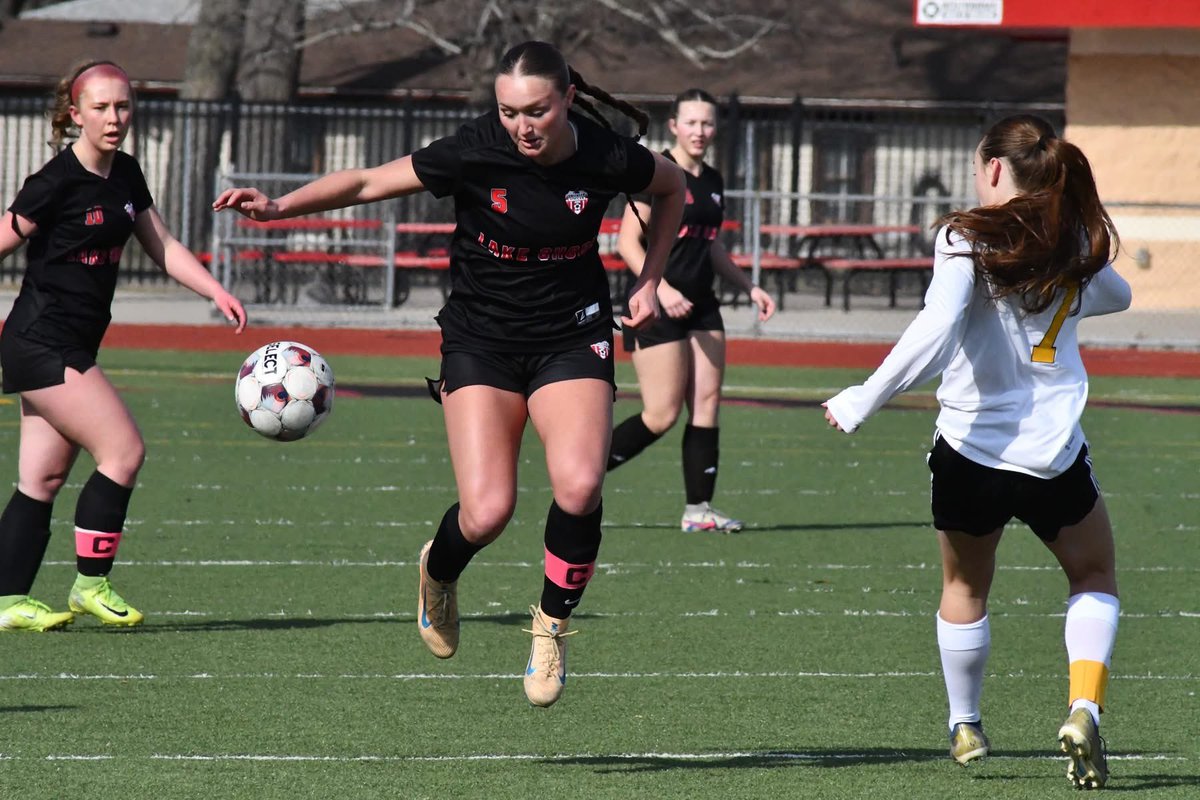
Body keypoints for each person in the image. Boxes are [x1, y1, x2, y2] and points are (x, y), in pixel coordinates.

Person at [214, 41, 686, 708]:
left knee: (579, 487)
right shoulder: (474, 148)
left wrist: (651, 276)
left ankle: (551, 627)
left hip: (571, 335)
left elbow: (672, 189)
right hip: (481, 342)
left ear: (568, 99)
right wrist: (280, 207)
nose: (522, 126)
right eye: (508, 111)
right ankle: (437, 572)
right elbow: (370, 181)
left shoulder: (605, 154)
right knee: (488, 511)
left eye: (537, 111)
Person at [822, 114, 1129, 790]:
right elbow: (1118, 292)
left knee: (964, 588)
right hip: (1052, 455)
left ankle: (965, 724)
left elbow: (937, 324)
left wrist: (866, 396)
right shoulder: (1072, 236)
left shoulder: (963, 236)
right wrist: (1061, 282)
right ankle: (1082, 708)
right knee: (1093, 576)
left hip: (969, 452)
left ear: (994, 168)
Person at [0, 60, 247, 632]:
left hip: (68, 342)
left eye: (124, 106)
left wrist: (214, 289)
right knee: (124, 451)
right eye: (102, 108)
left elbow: (161, 244)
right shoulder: (53, 183)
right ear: (74, 114)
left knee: (41, 480)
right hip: (42, 341)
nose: (115, 118)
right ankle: (91, 585)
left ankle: (9, 602)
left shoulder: (127, 174)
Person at [607, 89, 775, 533]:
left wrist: (749, 286)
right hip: (653, 303)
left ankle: (698, 511)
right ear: (674, 126)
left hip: (703, 305)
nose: (700, 131)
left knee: (706, 405)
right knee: (661, 414)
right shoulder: (656, 172)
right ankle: (581, 474)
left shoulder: (713, 180)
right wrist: (659, 287)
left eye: (707, 123)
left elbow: (710, 244)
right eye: (692, 123)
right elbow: (626, 242)